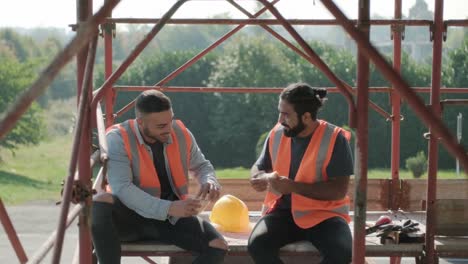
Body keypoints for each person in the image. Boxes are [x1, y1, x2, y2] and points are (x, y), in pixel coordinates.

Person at [91, 90, 228, 264]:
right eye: (161, 126)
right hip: (130, 218)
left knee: (218, 245)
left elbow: (202, 166)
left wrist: (209, 180)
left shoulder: (181, 132)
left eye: (170, 121)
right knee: (100, 202)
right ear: (140, 122)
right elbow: (122, 188)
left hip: (170, 219)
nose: (169, 129)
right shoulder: (117, 138)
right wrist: (169, 207)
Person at [248, 83, 354, 264]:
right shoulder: (277, 133)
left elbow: (338, 190)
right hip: (283, 214)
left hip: (325, 216)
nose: (280, 119)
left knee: (341, 252)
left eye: (286, 114)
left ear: (306, 117)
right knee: (257, 244)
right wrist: (261, 178)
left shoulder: (335, 138)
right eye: (280, 112)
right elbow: (258, 167)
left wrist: (293, 187)